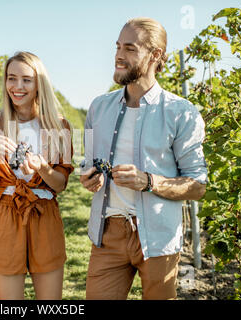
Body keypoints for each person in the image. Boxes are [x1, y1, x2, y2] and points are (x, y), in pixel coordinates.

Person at [80, 17, 207, 300]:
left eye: (129, 49)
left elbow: (197, 185)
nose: (118, 56)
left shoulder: (181, 112)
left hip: (158, 238)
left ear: (155, 55)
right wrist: (90, 177)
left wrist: (148, 181)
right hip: (108, 234)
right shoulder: (99, 108)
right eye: (117, 47)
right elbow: (88, 163)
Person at [0, 51, 74, 300]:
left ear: (40, 83)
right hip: (4, 215)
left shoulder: (59, 127)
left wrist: (42, 167)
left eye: (27, 80)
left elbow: (60, 184)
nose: (17, 87)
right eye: (11, 78)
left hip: (44, 214)